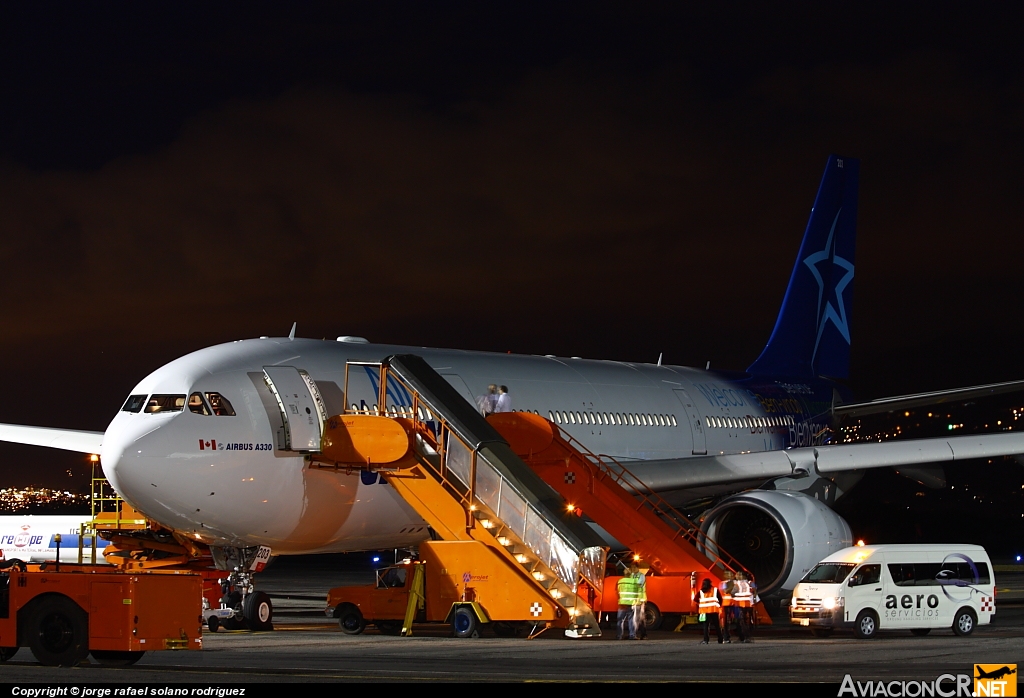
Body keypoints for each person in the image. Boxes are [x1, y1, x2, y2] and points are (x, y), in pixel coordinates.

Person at [698, 578, 723, 644]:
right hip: (714, 610)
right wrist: (718, 605)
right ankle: (720, 639)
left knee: (705, 626)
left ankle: (706, 640)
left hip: (704, 611)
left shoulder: (701, 591)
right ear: (710, 583)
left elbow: (695, 599)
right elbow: (720, 599)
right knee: (717, 625)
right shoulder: (715, 590)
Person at [616, 569, 640, 640]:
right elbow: (637, 592)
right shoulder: (634, 582)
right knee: (631, 620)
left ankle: (619, 636)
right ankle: (632, 635)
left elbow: (617, 592)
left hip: (622, 604)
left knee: (620, 621)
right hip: (631, 603)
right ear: (630, 574)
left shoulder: (620, 581)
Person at [733, 571, 753, 642]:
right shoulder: (750, 583)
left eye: (738, 575)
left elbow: (732, 593)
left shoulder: (737, 584)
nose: (736, 576)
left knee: (740, 622)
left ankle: (743, 637)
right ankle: (747, 637)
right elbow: (755, 591)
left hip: (740, 604)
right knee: (747, 621)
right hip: (749, 604)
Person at [631, 563, 647, 639]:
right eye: (632, 567)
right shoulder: (632, 575)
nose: (633, 569)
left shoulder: (641, 576)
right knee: (635, 618)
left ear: (638, 568)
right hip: (634, 600)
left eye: (634, 567)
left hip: (640, 600)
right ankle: (634, 634)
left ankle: (643, 634)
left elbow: (639, 585)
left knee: (640, 618)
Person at [718, 571, 734, 643]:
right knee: (726, 621)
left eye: (730, 574)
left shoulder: (734, 583)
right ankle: (726, 637)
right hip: (726, 604)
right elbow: (725, 591)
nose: (729, 575)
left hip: (734, 603)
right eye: (727, 574)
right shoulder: (723, 583)